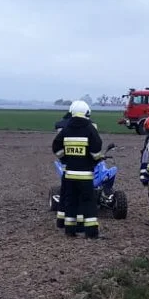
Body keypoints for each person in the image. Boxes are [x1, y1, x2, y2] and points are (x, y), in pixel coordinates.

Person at [52, 100, 105, 238]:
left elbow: (56, 147)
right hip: (85, 175)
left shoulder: (66, 129)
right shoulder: (90, 128)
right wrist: (95, 158)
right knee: (87, 202)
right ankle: (91, 233)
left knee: (71, 202)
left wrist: (65, 158)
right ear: (87, 112)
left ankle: (70, 230)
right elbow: (96, 149)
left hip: (69, 174)